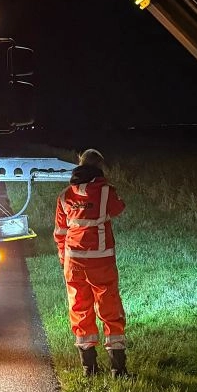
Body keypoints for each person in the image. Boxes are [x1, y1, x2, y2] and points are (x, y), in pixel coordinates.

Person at [54, 148, 129, 378]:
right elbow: (118, 208)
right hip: (101, 261)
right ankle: (118, 368)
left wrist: (64, 260)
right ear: (100, 167)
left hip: (73, 262)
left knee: (79, 308)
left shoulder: (65, 195)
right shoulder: (107, 192)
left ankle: (89, 367)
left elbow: (60, 233)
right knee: (110, 309)